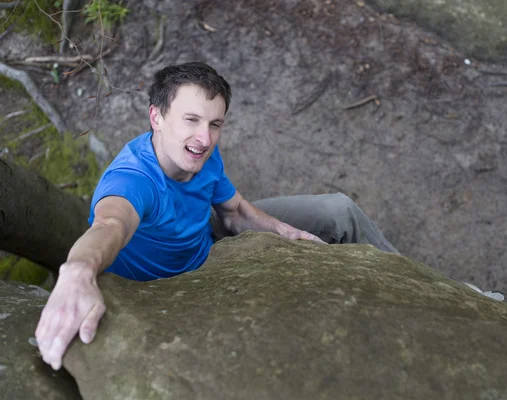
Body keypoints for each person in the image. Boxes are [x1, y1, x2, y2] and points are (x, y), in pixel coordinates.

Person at [35, 62, 398, 370]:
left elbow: (235, 211)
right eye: (191, 120)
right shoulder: (133, 181)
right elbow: (110, 224)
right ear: (156, 117)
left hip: (207, 241)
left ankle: (409, 284)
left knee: (337, 211)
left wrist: (284, 232)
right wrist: (79, 271)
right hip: (160, 291)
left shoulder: (201, 154)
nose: (204, 138)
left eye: (215, 124)